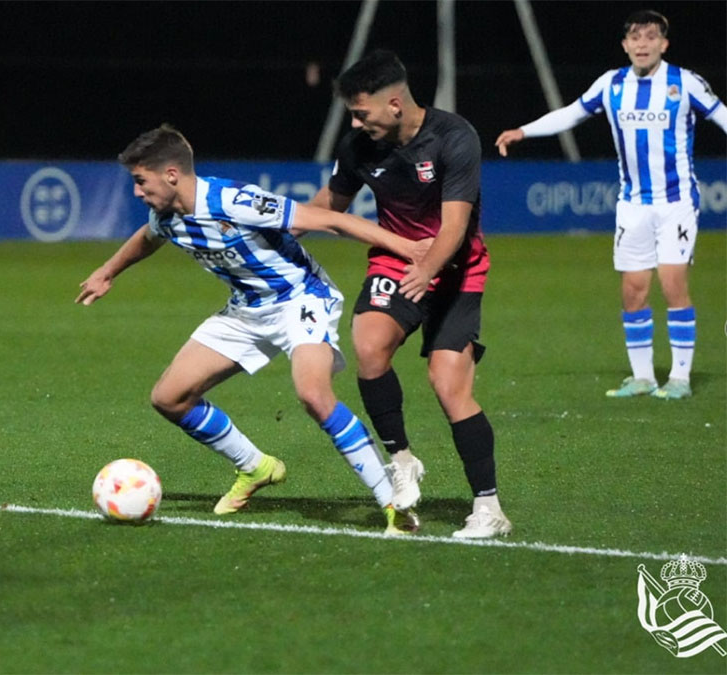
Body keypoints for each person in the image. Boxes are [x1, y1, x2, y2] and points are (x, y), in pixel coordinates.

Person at [77, 124, 429, 534]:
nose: (137, 192)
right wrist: (108, 271)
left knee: (313, 394)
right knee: (169, 398)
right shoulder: (166, 215)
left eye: (141, 181)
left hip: (300, 299)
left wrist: (409, 250)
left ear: (171, 174)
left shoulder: (233, 200)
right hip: (246, 311)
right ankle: (256, 467)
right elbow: (148, 237)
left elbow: (329, 220)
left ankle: (392, 503)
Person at [311, 49, 511, 538]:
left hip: (458, 267)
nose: (356, 123)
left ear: (395, 104)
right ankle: (402, 458)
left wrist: (428, 270)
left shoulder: (454, 137)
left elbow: (456, 225)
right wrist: (275, 224)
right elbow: (328, 208)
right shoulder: (358, 147)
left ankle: (489, 508)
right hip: (397, 262)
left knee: (448, 385)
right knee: (368, 344)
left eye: (362, 112)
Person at [496, 10, 726, 401]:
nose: (642, 44)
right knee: (634, 290)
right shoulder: (612, 84)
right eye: (635, 38)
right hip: (632, 204)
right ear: (625, 45)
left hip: (676, 202)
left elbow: (722, 116)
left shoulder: (684, 83)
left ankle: (681, 379)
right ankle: (642, 377)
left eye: (650, 38)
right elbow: (572, 113)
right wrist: (524, 130)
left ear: (663, 44)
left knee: (672, 284)